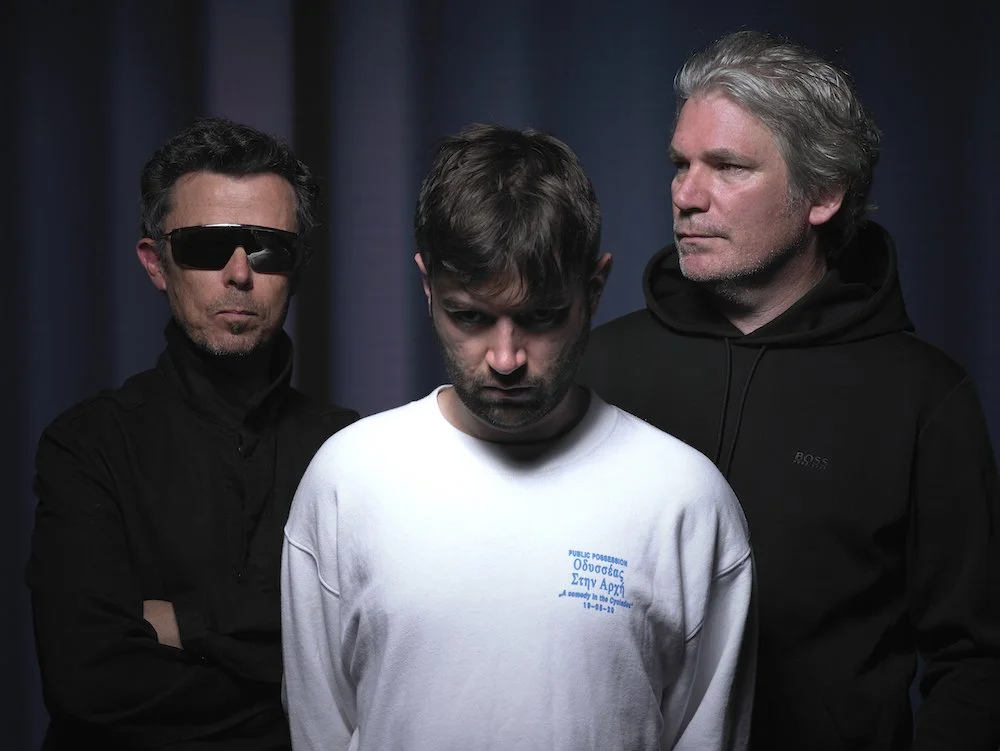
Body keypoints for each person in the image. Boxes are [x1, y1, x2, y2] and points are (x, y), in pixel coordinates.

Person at [579, 29, 1000, 751]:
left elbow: (977, 661)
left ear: (823, 194)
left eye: (727, 167)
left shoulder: (922, 396)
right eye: (680, 164)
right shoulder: (599, 367)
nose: (686, 196)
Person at [280, 123, 756, 751]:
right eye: (469, 316)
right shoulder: (348, 479)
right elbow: (321, 729)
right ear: (427, 288)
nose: (505, 359)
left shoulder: (685, 501)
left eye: (541, 317)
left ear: (594, 290)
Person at [26, 116, 359, 750]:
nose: (239, 273)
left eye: (268, 248)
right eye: (206, 247)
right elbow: (90, 684)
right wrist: (291, 671)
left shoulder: (353, 453)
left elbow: (378, 669)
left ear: (297, 267)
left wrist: (188, 624)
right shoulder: (86, 445)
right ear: (156, 263)